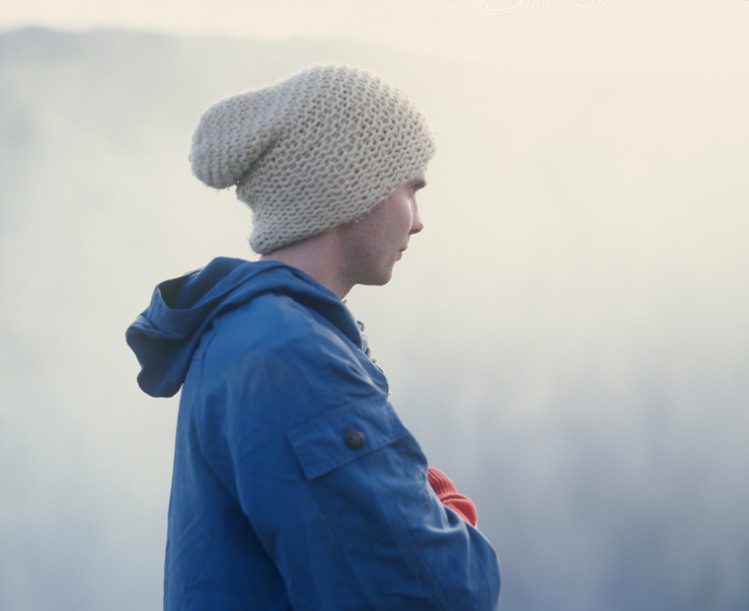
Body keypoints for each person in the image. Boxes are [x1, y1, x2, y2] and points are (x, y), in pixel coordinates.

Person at [126, 64, 501, 610]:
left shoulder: (243, 330)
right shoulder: (293, 355)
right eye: (410, 189)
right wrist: (444, 503)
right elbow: (442, 591)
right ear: (354, 186)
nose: (418, 221)